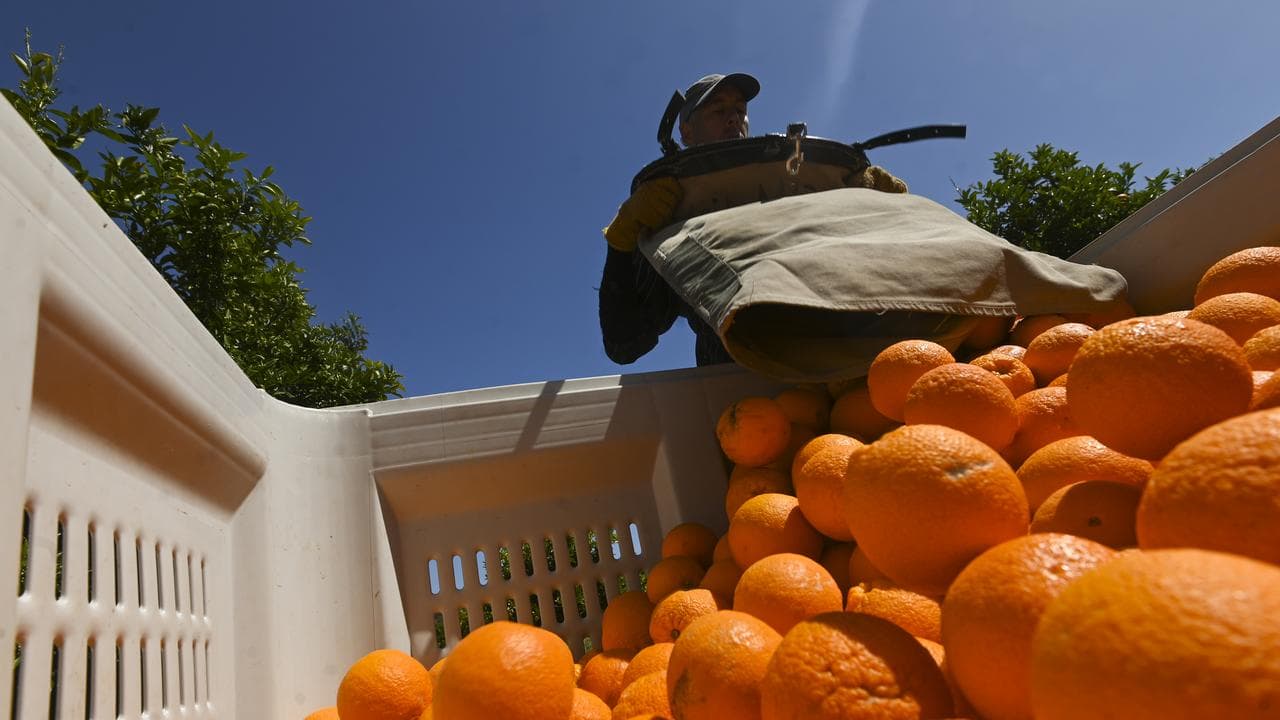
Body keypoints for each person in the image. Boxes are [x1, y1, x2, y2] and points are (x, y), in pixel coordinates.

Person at [597, 73, 908, 368]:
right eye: (717, 110)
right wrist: (622, 241)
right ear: (686, 132)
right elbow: (625, 343)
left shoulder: (797, 185)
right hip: (733, 386)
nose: (734, 118)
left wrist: (879, 207)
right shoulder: (670, 213)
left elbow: (884, 281)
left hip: (840, 359)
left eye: (740, 109)